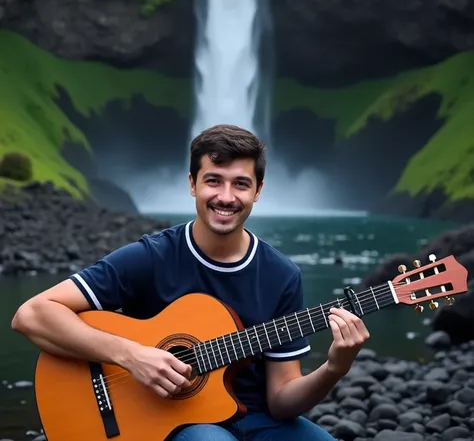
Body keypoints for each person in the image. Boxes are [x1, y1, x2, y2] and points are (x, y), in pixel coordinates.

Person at [11, 124, 370, 441]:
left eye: (241, 184)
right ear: (192, 184)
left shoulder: (282, 275)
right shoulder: (151, 257)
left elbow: (281, 402)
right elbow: (32, 314)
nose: (226, 197)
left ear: (258, 191)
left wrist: (334, 368)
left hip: (257, 420)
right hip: (170, 421)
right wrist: (130, 355)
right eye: (213, 180)